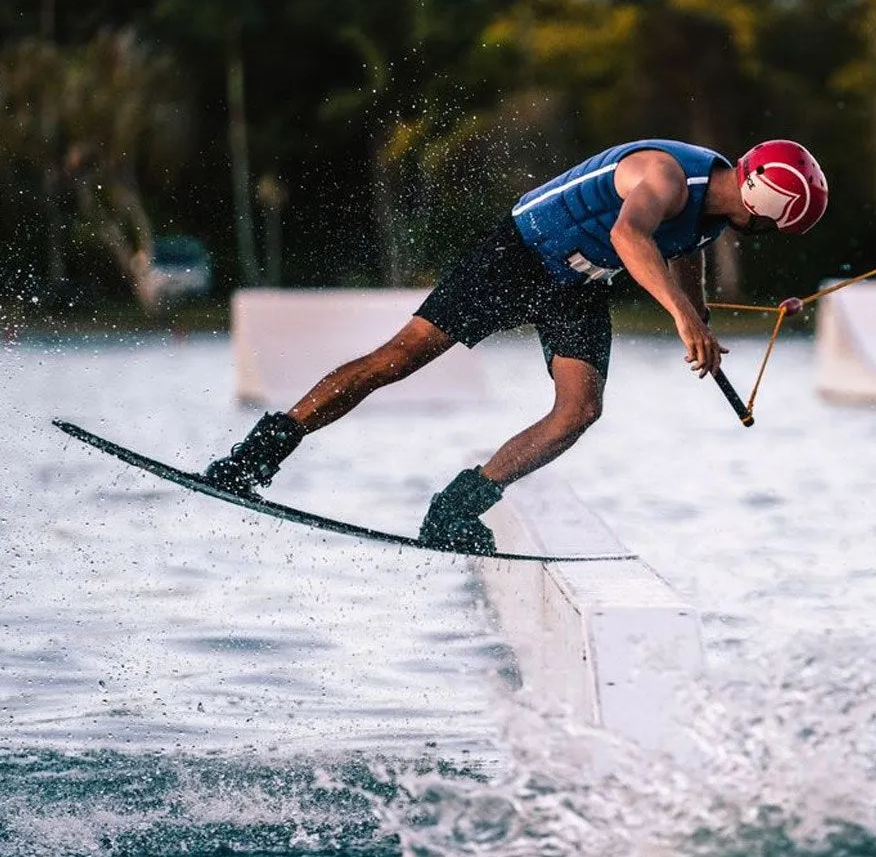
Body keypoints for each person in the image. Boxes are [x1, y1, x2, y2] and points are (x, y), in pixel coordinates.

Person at [203, 138, 828, 554]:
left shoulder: (718, 210)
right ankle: (255, 456)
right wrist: (681, 321)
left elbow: (685, 252)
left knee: (579, 410)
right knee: (398, 360)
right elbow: (630, 234)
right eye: (776, 226)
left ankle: (456, 508)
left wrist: (699, 320)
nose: (768, 234)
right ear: (765, 202)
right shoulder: (666, 175)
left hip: (579, 284)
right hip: (519, 255)